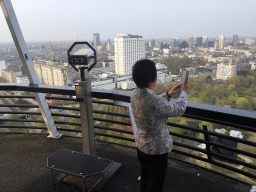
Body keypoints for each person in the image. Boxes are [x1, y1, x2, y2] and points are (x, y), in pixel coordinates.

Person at [131, 59, 189, 192]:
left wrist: (168, 94)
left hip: (141, 146)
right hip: (156, 151)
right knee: (155, 185)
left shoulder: (134, 94)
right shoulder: (156, 101)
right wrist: (184, 93)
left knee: (145, 179)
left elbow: (150, 102)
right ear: (153, 80)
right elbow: (179, 109)